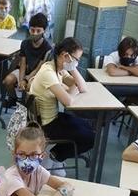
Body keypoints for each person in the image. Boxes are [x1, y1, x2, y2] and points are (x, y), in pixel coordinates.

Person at [29, 37, 94, 167]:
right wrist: (74, 85)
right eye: (76, 59)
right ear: (65, 55)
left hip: (52, 117)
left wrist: (72, 69)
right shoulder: (48, 72)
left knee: (87, 126)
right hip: (47, 124)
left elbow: (82, 86)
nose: (77, 63)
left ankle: (56, 154)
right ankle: (57, 155)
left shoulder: (58, 68)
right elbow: (68, 101)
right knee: (89, 138)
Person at [2, 12, 51, 109]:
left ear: (44, 31)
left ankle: (27, 107)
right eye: (32, 30)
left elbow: (38, 68)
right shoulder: (25, 43)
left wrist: (25, 80)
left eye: (38, 31)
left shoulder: (47, 47)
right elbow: (23, 64)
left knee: (29, 86)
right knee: (7, 81)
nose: (35, 33)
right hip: (25, 70)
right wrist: (21, 80)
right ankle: (13, 99)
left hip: (38, 73)